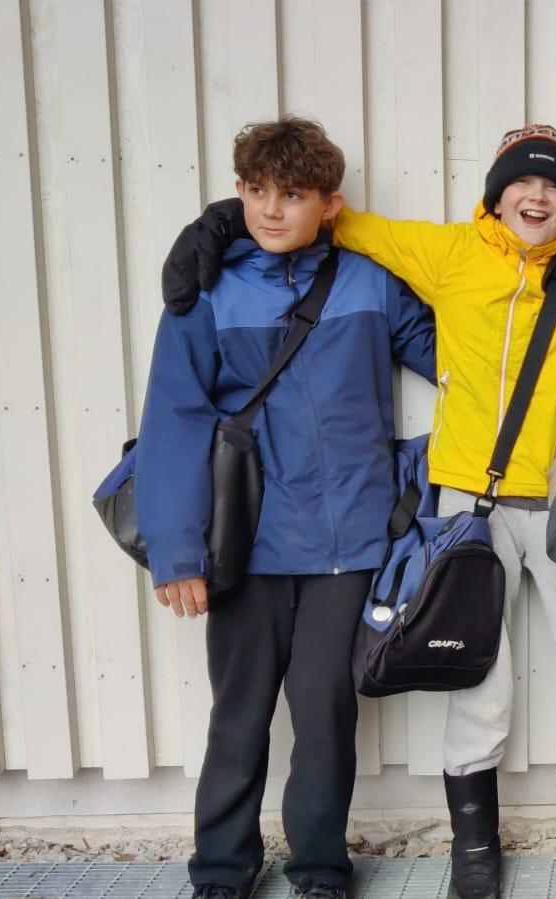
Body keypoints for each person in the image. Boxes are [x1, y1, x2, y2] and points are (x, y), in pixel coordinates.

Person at [162, 99, 556, 899]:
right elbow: (323, 217)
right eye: (520, 181)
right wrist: (215, 224)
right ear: (494, 194)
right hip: (464, 508)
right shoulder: (445, 254)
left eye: (553, 186)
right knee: (474, 679)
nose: (536, 195)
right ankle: (474, 850)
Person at [137, 117, 436, 899]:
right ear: (238, 193)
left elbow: (459, 360)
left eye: (293, 194)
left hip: (349, 543)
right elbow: (174, 418)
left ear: (330, 204)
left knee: (325, 713)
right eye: (256, 190)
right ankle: (222, 868)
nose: (271, 209)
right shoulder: (205, 292)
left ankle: (320, 867)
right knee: (238, 714)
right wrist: (176, 550)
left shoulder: (370, 282)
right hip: (246, 543)